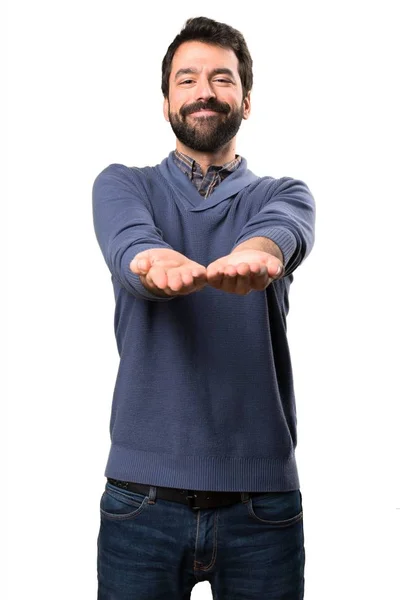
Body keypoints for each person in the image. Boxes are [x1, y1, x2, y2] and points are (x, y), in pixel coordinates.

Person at [92, 15, 315, 600]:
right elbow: (130, 244)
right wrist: (151, 262)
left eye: (222, 78)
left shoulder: (282, 192)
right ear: (166, 99)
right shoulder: (124, 185)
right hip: (141, 501)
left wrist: (256, 254)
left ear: (246, 101)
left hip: (262, 508)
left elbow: (280, 233)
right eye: (187, 80)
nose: (204, 92)